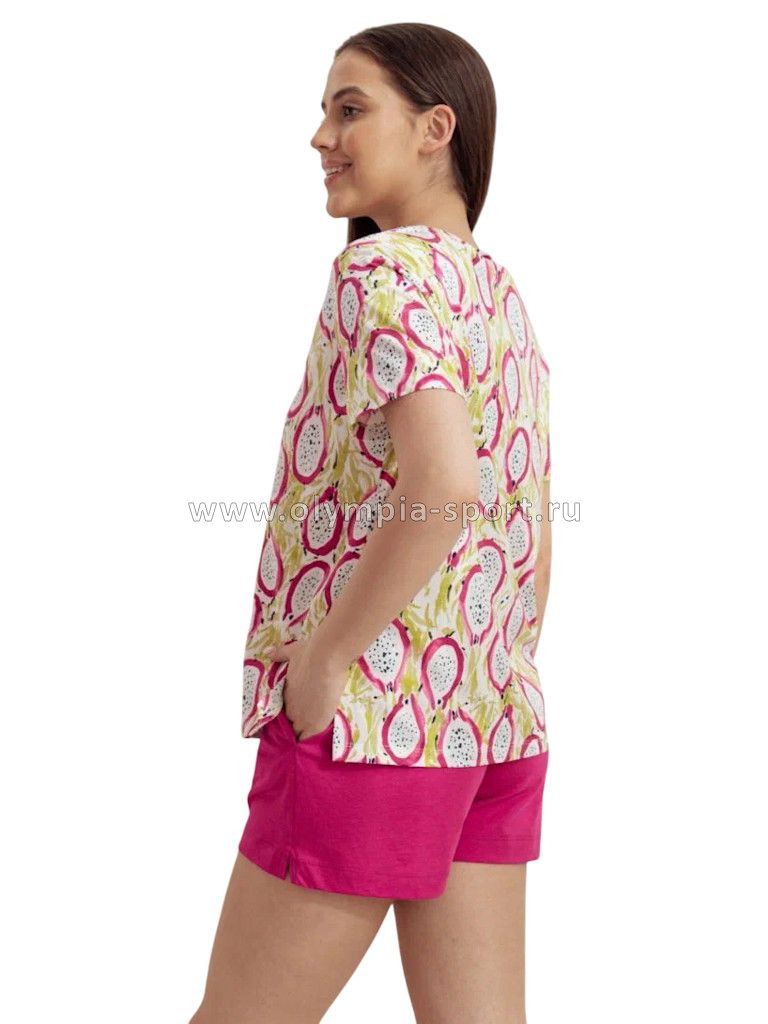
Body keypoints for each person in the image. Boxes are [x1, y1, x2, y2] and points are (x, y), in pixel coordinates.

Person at [190, 22, 552, 1024]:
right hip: (489, 716)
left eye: (350, 109)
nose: (321, 136)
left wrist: (326, 659)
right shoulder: (500, 296)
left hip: (368, 727)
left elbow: (444, 485)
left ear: (437, 129)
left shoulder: (380, 274)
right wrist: (501, 664)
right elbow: (529, 529)